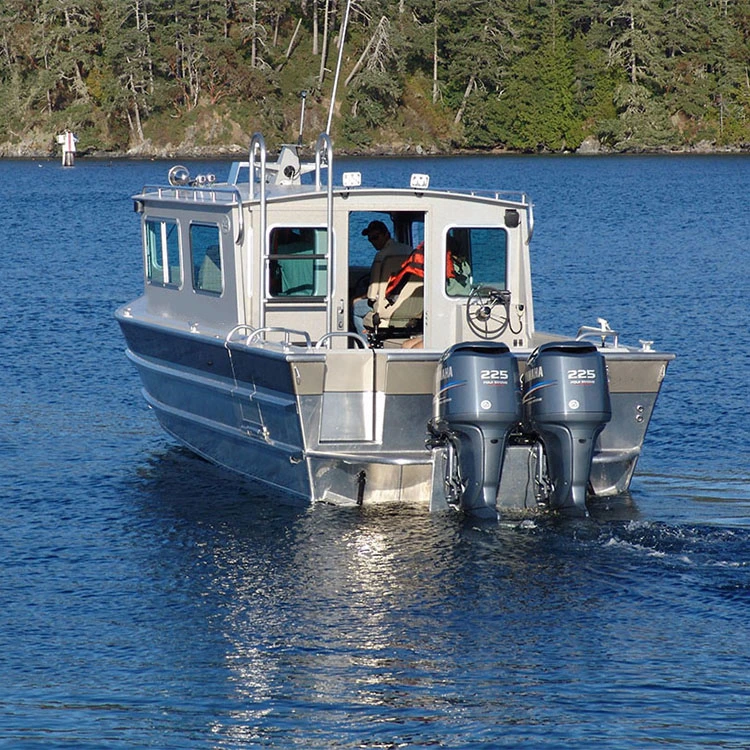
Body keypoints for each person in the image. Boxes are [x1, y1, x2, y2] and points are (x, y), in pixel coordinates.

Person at [352, 220, 412, 334]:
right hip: (410, 302)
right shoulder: (410, 251)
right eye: (370, 239)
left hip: (386, 304)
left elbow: (372, 294)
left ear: (387, 234)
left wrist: (358, 299)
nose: (374, 242)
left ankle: (366, 344)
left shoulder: (381, 256)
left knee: (355, 309)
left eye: (376, 237)